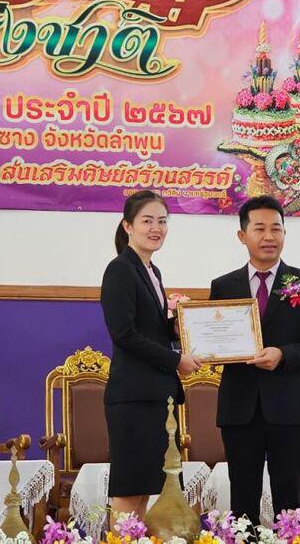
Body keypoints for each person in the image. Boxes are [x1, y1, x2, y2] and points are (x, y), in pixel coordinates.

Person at [209, 195, 300, 524]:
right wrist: (206, 350)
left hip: (288, 408)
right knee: (242, 502)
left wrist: (283, 355)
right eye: (259, 228)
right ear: (242, 235)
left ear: (284, 233)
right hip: (239, 409)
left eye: (276, 229)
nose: (269, 236)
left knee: (289, 501)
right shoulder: (223, 286)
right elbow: (214, 340)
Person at [101, 190, 202, 519]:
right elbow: (124, 333)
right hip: (133, 398)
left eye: (162, 221)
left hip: (156, 396)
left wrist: (180, 328)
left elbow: (150, 329)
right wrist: (176, 360)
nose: (156, 228)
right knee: (129, 490)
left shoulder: (151, 271)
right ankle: (121, 541)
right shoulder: (120, 270)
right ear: (128, 226)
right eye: (147, 221)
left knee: (146, 488)